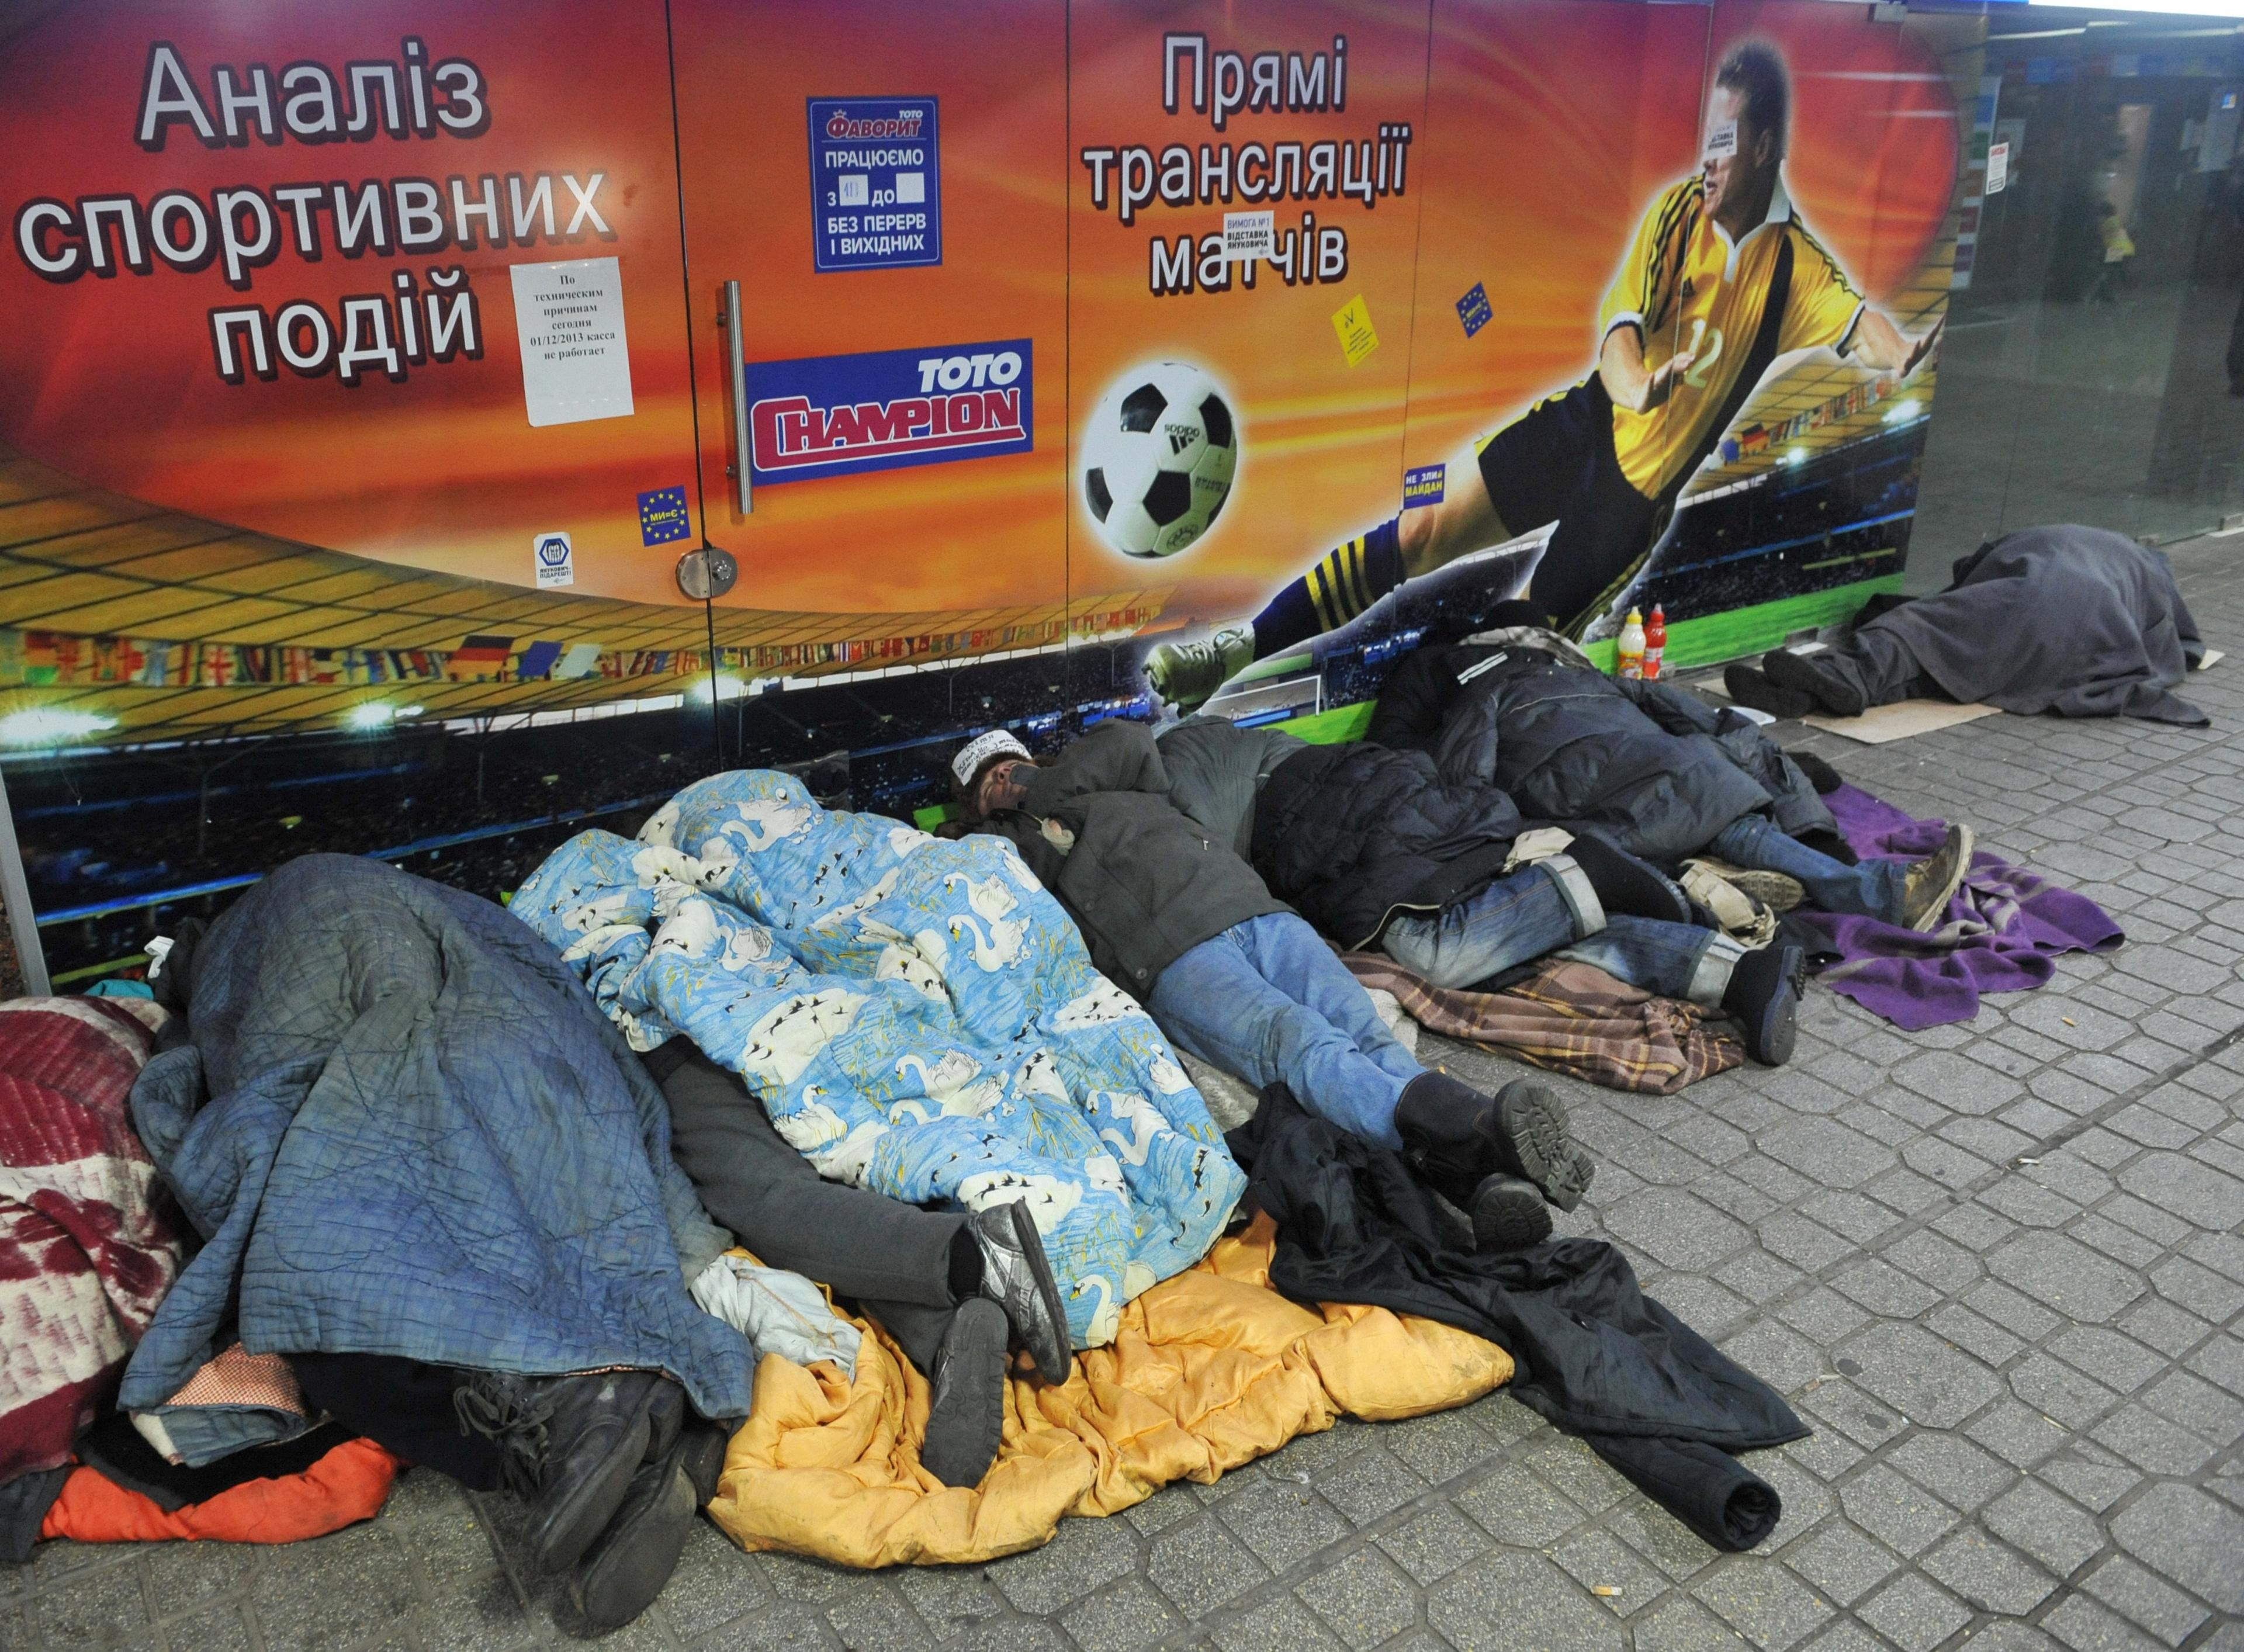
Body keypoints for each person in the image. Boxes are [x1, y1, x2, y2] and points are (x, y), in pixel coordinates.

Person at [1146, 40, 1944, 710]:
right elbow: (1621, 337)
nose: (1709, 161)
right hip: (1588, 422)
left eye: (1725, 144)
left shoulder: (1795, 269)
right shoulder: (1677, 215)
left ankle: (1456, 768)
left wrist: (1901, 351)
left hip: (1629, 501)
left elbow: (1859, 324)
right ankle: (1235, 650)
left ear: (1764, 148)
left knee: (1513, 643)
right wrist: (1640, 387)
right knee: (1421, 528)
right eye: (1706, 142)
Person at [950, 723, 1595, 1251]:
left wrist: (1036, 783)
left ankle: (1479, 1182)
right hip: (1174, 955)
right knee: (1301, 1042)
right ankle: (1479, 1126)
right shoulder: (1007, 844)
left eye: (1007, 765)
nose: (1004, 782)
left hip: (1258, 911)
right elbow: (970, 871)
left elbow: (1132, 741)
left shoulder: (1116, 771)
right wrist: (1003, 814)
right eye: (988, 785)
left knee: (1363, 1032)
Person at [1152, 711, 1810, 1065]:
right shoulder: (1228, 746)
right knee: (1520, 948)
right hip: (1386, 813)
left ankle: (1577, 878)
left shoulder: (1181, 765)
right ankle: (1740, 975)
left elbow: (1214, 869)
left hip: (1359, 820)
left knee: (1428, 952)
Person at [1368, 607, 1975, 932]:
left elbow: (1448, 765)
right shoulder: (1471, 676)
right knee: (1699, 785)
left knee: (1695, 779)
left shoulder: (1516, 679)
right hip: (1575, 761)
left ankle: (1715, 877)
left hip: (1604, 752)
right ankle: (1874, 892)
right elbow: (1448, 764)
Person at [639, 1038, 1072, 1491]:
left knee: (769, 1206)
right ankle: (949, 1326)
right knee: (841, 1226)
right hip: (781, 1040)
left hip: (700, 1044)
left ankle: (971, 1256)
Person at [1722, 524, 2207, 727]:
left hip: (2050, 597)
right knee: (1948, 662)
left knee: (1921, 627)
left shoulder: (2079, 541)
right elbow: (2181, 644)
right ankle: (1811, 695)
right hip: (2096, 635)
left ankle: (1844, 675)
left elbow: (1971, 572)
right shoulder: (2144, 577)